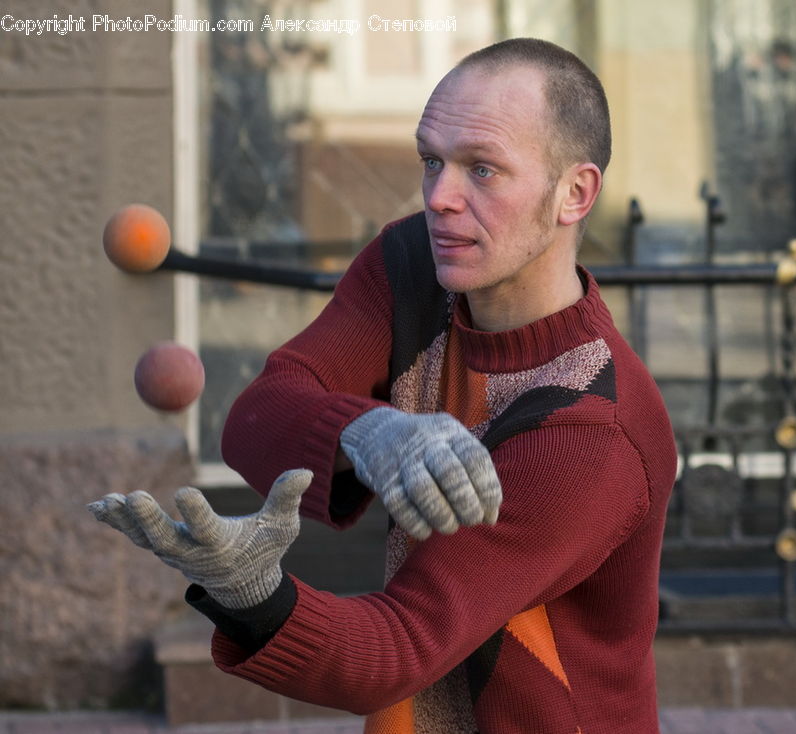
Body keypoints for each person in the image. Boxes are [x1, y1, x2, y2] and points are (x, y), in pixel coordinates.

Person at [90, 37, 677, 733]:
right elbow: (260, 415)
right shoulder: (417, 264)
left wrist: (254, 594)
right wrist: (369, 431)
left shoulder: (592, 426)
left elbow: (396, 651)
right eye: (432, 160)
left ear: (574, 194)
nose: (439, 197)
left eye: (482, 170)